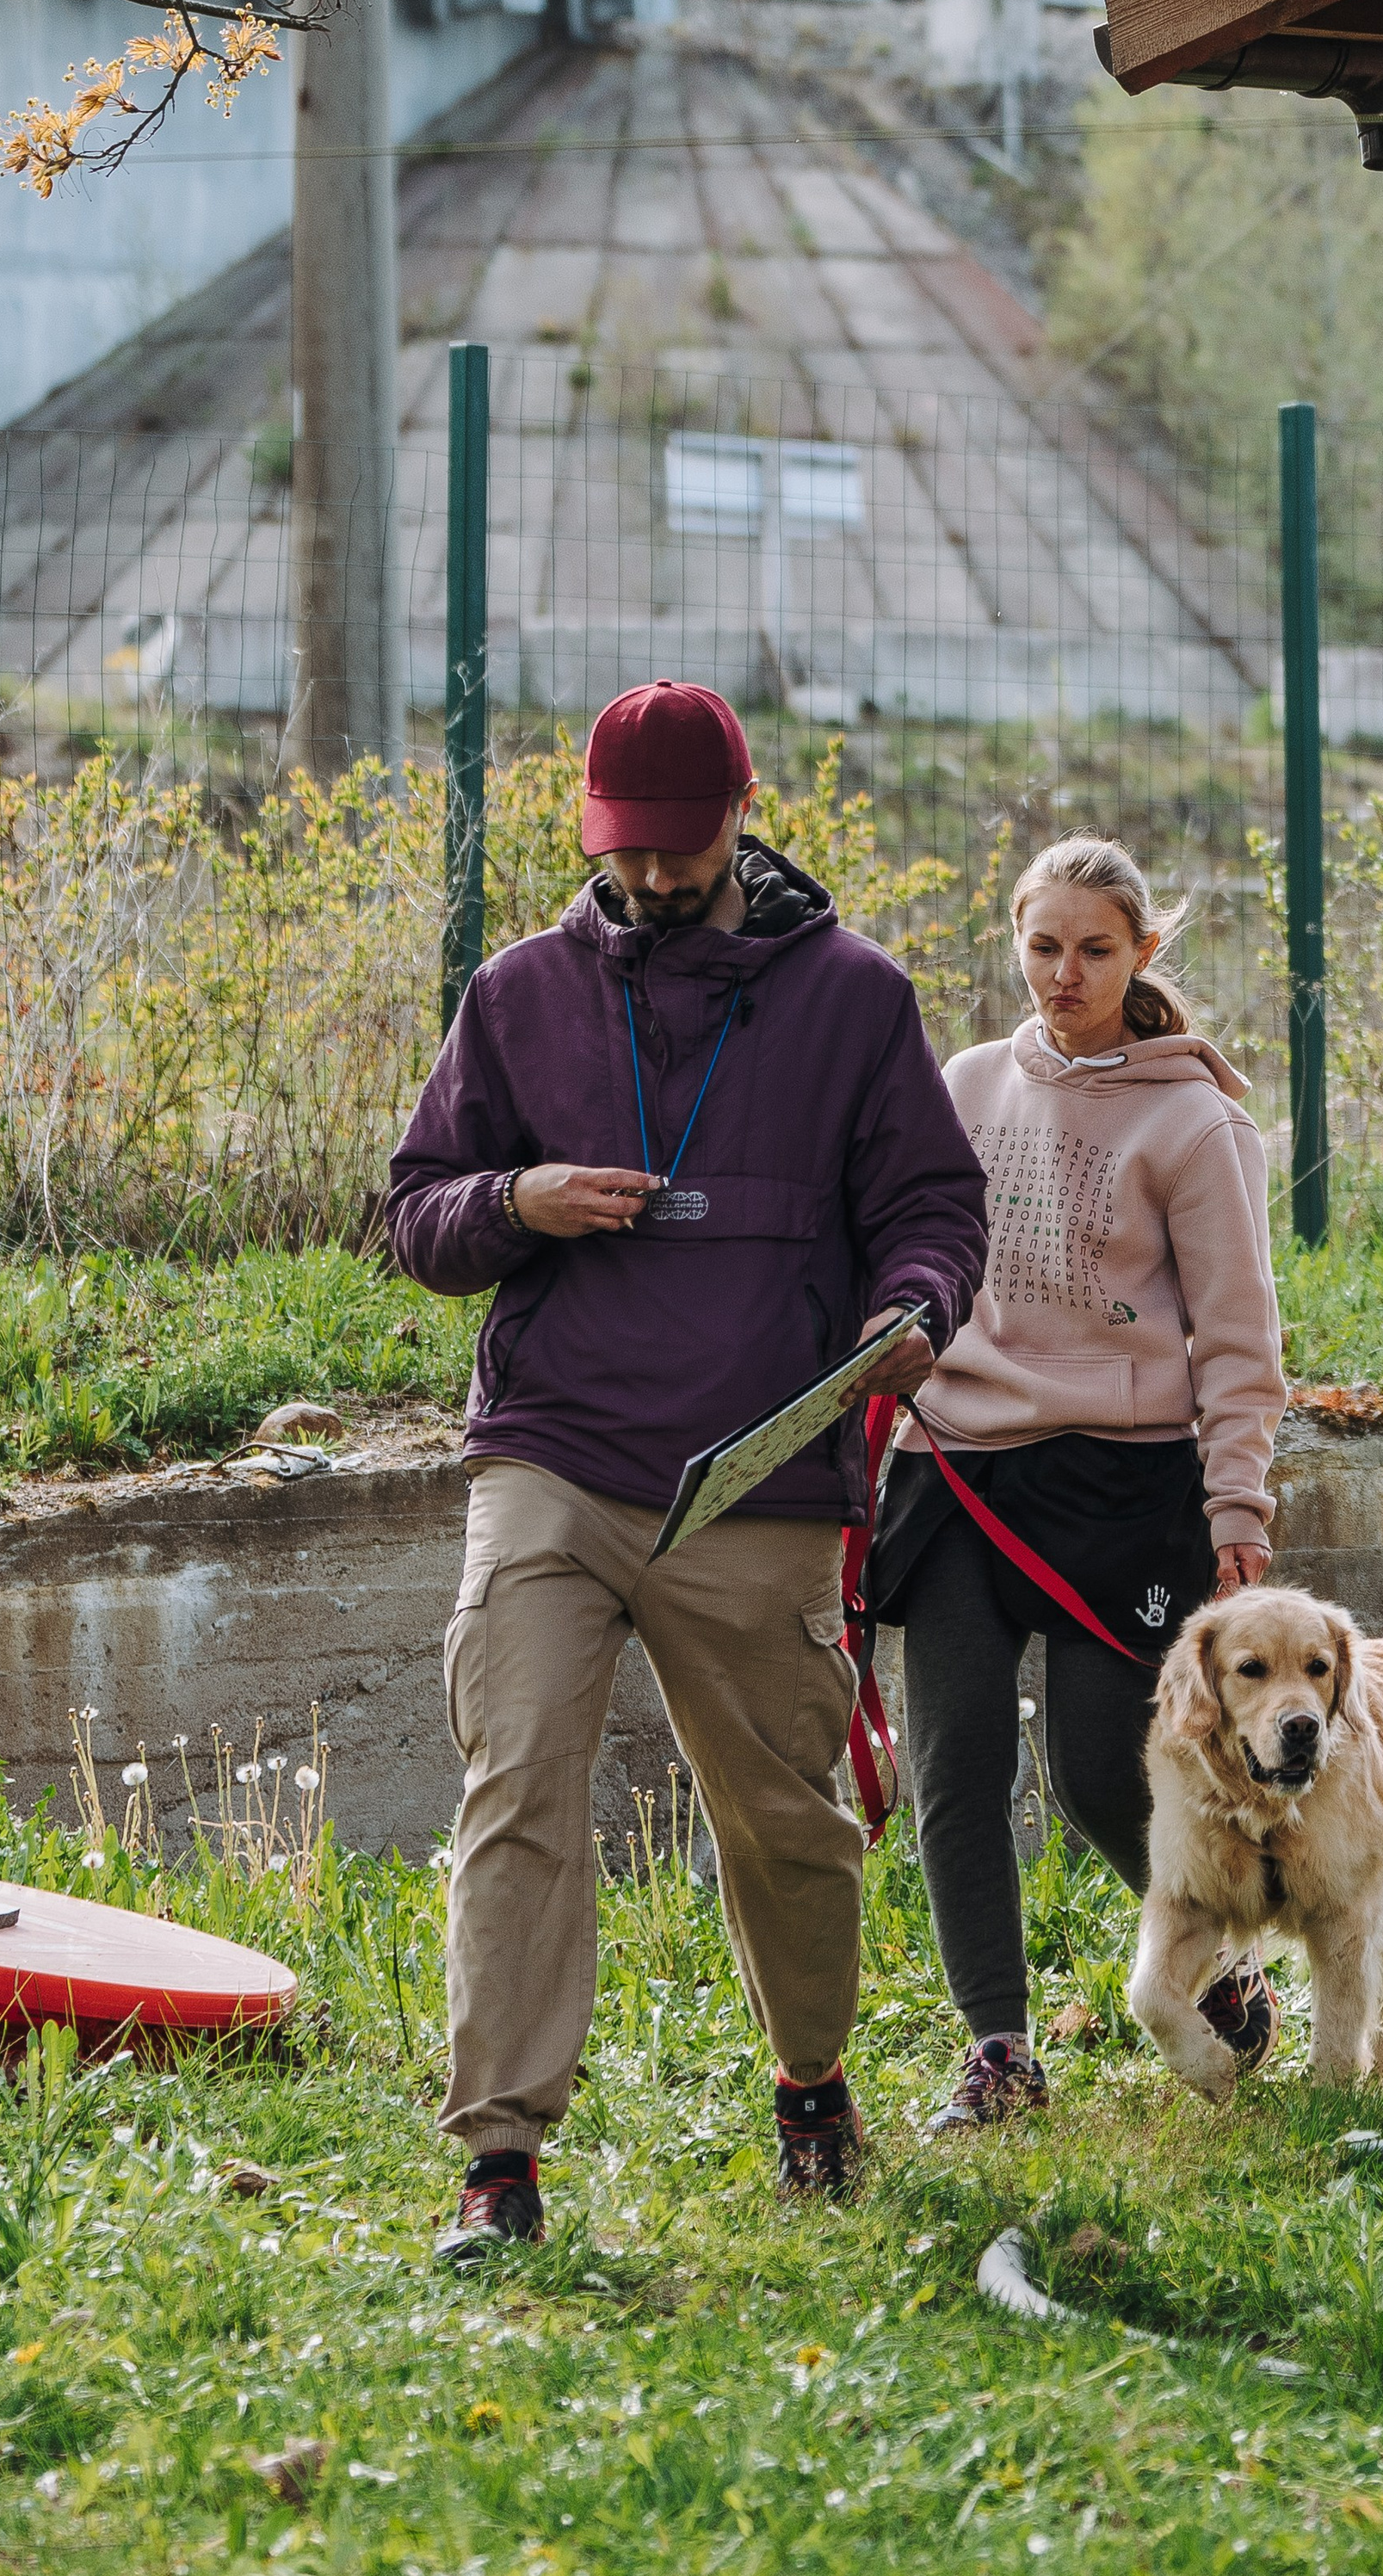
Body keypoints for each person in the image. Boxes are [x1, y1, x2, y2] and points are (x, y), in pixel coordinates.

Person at [386, 681, 987, 2252]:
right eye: (623, 851)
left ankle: (809, 2080)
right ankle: (497, 2162)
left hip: (760, 1473)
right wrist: (517, 1196)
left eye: (679, 849)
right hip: (557, 1461)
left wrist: (914, 1308)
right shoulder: (516, 994)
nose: (650, 879)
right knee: (517, 1782)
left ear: (741, 815)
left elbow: (935, 1202)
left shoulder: (857, 1000)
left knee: (788, 1825)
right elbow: (415, 1216)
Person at [867, 834, 1287, 2130]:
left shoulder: (1192, 1118)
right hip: (959, 1467)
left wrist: (1238, 1506)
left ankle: (1211, 1974)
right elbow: (917, 1251)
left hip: (1124, 1484)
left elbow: (1237, 1333)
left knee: (1113, 1774)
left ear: (1143, 952)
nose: (1064, 973)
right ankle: (998, 2048)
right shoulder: (968, 1079)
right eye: (1042, 946)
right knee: (956, 1767)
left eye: (1095, 949)